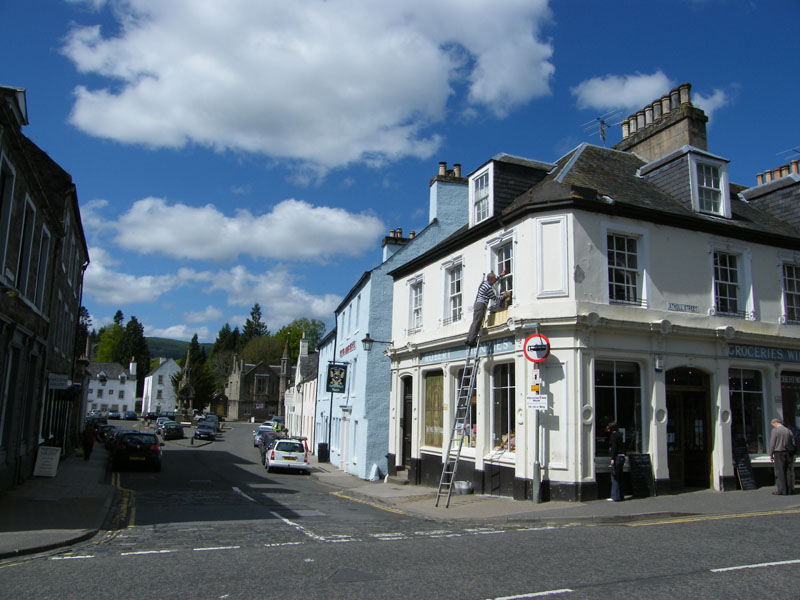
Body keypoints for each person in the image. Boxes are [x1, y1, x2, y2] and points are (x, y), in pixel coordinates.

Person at [465, 269, 507, 347]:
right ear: (490, 279)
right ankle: (472, 341)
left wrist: (500, 275)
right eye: (494, 279)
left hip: (477, 304)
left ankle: (469, 339)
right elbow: (494, 298)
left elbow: (493, 281)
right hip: (481, 305)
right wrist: (503, 296)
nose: (495, 281)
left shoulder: (485, 283)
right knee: (477, 322)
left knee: (475, 322)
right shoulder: (488, 288)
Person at [768, 418, 796, 495]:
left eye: (772, 425)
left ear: (775, 423)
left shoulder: (775, 431)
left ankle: (781, 490)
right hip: (788, 453)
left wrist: (770, 454)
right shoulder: (788, 430)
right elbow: (793, 442)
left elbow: (772, 443)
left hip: (778, 453)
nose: (773, 426)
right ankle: (789, 489)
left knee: (779, 472)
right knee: (788, 471)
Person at [607, 421, 625, 502]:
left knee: (614, 477)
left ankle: (615, 496)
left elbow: (614, 448)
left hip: (617, 457)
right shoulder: (620, 435)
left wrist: (612, 459)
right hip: (622, 456)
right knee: (620, 477)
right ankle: (621, 496)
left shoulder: (613, 436)